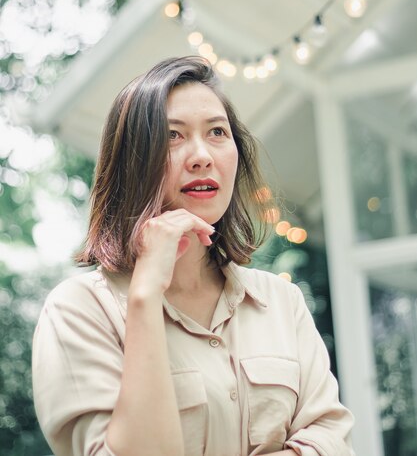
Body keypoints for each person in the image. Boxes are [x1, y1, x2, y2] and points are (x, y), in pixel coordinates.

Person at [32, 56, 355, 456]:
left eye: (217, 132)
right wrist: (146, 295)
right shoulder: (79, 310)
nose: (201, 155)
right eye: (172, 136)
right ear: (132, 163)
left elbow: (331, 439)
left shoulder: (281, 301)